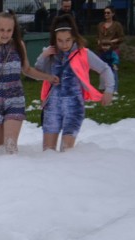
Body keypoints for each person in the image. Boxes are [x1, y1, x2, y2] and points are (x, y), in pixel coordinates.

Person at [0, 12, 59, 153]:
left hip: (15, 99)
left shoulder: (19, 45)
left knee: (10, 147)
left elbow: (27, 70)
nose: (5, 34)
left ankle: (15, 171)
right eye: (1, 30)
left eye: (9, 30)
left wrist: (48, 77)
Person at [35, 16, 114, 151]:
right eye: (60, 41)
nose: (64, 44)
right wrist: (43, 56)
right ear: (54, 39)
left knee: (67, 151)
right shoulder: (51, 54)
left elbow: (105, 69)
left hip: (74, 107)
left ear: (74, 38)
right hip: (52, 107)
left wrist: (109, 90)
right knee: (47, 152)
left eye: (68, 40)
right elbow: (37, 72)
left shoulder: (83, 53)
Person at [97, 7, 124, 93]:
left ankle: (114, 88)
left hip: (113, 49)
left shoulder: (117, 25)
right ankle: (103, 88)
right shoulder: (100, 25)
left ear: (113, 14)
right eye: (105, 13)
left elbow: (121, 37)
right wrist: (98, 41)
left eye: (108, 13)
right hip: (102, 50)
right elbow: (97, 36)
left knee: (113, 69)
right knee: (102, 69)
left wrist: (111, 41)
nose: (106, 14)